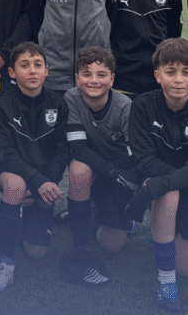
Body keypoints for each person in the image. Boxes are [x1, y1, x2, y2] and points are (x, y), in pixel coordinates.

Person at [125, 38, 188, 312]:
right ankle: (166, 283)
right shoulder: (142, 105)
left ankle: (173, 230)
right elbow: (144, 160)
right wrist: (175, 185)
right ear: (158, 75)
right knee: (167, 195)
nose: (178, 79)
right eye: (170, 72)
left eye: (186, 72)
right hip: (166, 182)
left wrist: (148, 192)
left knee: (187, 269)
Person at [0, 42, 70, 292]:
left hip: (42, 179)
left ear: (47, 71)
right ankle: (5, 262)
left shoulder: (58, 103)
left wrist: (45, 181)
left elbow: (62, 151)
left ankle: (12, 216)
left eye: (37, 65)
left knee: (37, 252)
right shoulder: (2, 104)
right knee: (15, 185)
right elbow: (4, 153)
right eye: (24, 65)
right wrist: (36, 181)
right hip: (14, 174)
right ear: (12, 72)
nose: (32, 71)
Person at [64, 46, 135, 282]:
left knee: (112, 246)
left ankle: (93, 214)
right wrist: (108, 171)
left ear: (112, 79)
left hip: (119, 168)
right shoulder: (71, 97)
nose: (94, 80)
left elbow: (134, 154)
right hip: (97, 165)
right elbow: (79, 149)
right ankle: (80, 245)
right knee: (78, 170)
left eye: (101, 75)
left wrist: (113, 173)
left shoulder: (125, 105)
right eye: (87, 74)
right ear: (77, 78)